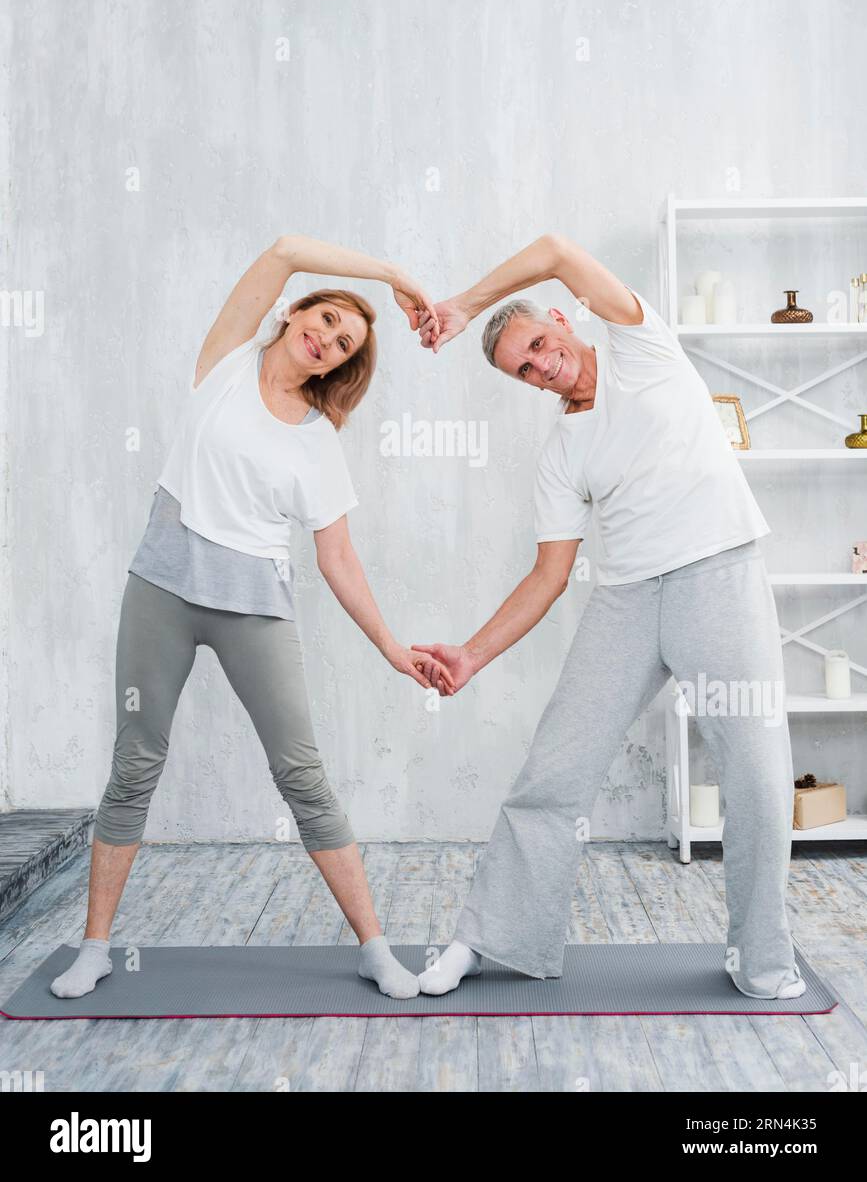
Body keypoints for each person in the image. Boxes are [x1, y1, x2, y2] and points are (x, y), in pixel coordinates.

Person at [50, 234, 454, 1003]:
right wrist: (395, 276)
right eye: (327, 318)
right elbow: (284, 247)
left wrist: (391, 647)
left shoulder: (316, 444)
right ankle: (95, 946)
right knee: (134, 765)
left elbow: (338, 561)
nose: (327, 338)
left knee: (301, 776)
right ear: (296, 309)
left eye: (342, 344)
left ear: (337, 367)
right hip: (160, 591)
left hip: (254, 610)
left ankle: (374, 948)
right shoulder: (226, 358)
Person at [411, 231, 805, 1001]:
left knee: (755, 773)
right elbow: (548, 576)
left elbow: (556, 249)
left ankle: (760, 957)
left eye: (534, 344)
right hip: (624, 602)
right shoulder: (562, 451)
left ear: (562, 319)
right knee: (553, 771)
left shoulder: (639, 347)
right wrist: (470, 654)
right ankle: (484, 938)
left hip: (717, 575)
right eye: (521, 370)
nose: (537, 365)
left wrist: (463, 305)